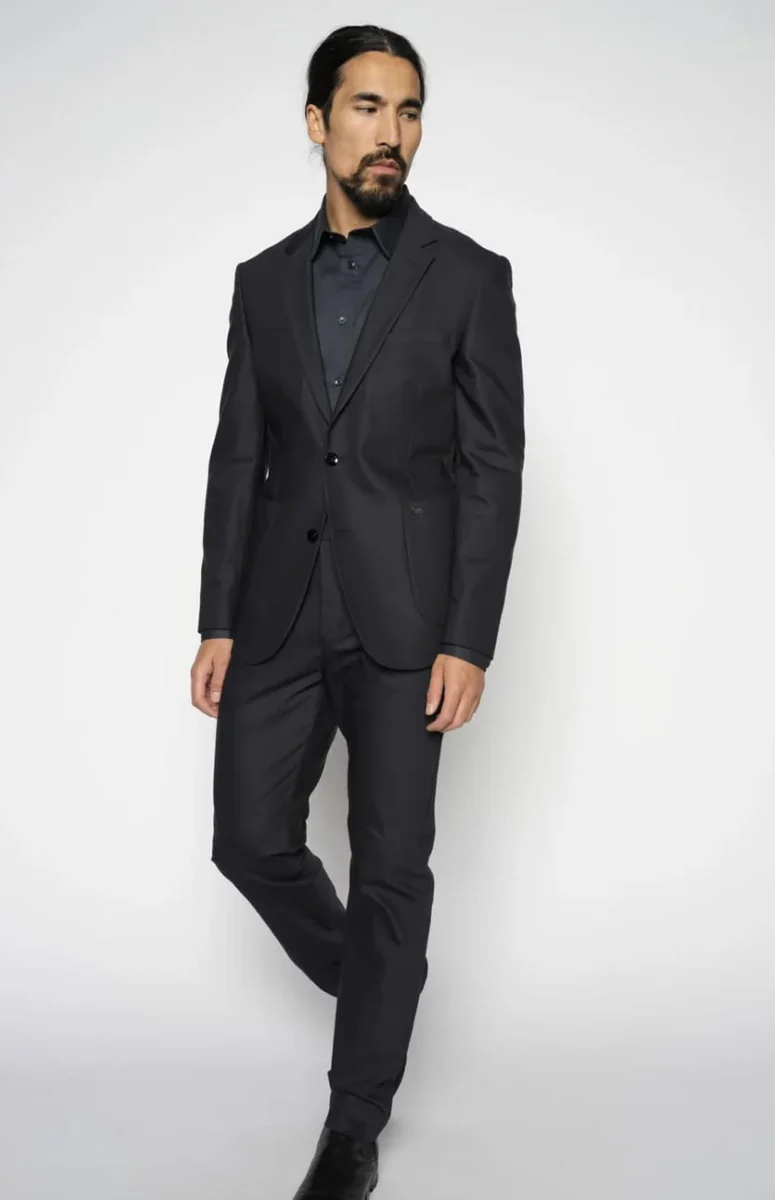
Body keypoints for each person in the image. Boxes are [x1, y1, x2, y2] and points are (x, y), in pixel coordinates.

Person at [190, 23, 524, 1199]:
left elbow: (491, 469)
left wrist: (467, 638)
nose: (393, 133)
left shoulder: (468, 277)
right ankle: (381, 983)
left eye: (410, 110)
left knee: (390, 867)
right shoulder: (262, 282)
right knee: (247, 840)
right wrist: (217, 618)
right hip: (277, 610)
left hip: (406, 623)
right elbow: (240, 457)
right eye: (369, 107)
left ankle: (352, 1130)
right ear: (317, 121)